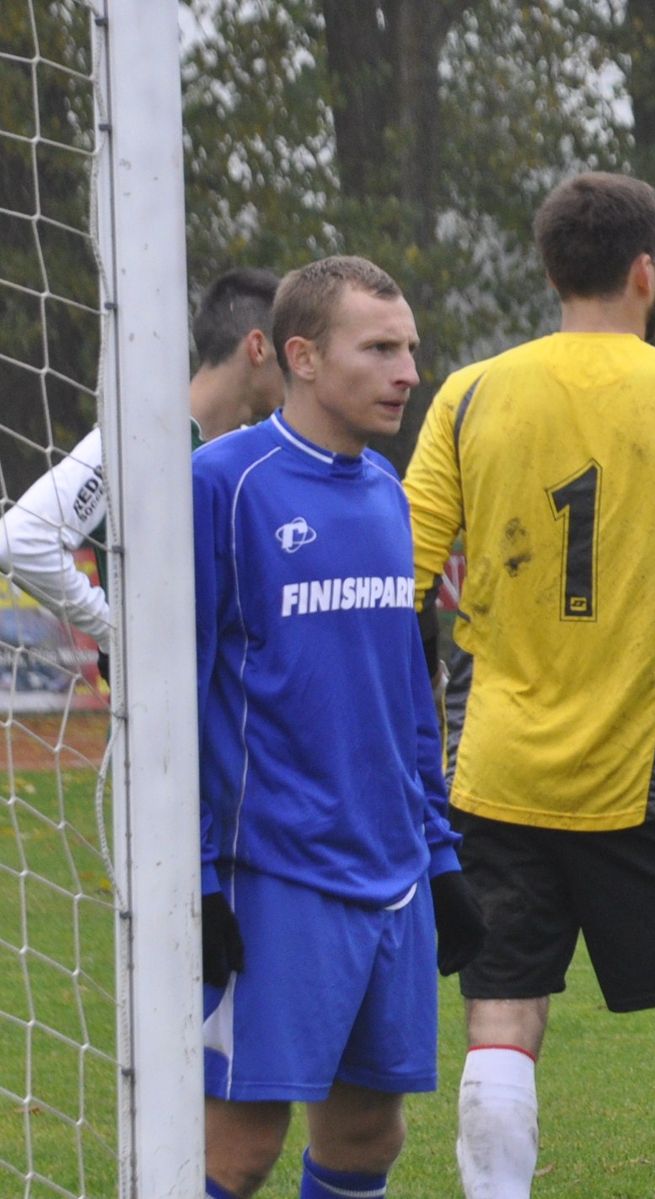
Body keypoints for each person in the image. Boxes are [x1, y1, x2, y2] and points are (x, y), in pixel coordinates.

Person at [403, 172, 655, 1199]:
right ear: (646, 269)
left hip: (491, 772)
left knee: (501, 1022)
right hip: (653, 785)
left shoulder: (469, 394)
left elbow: (400, 573)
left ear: (547, 268)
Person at [193, 255, 487, 1198]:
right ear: (303, 357)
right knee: (236, 1150)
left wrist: (440, 859)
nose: (408, 371)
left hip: (393, 874)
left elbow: (407, 695)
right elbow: (176, 700)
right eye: (381, 349)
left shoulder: (389, 496)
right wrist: (197, 881)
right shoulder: (222, 485)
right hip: (272, 875)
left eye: (411, 348)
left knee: (368, 1134)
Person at [0, 267, 284, 658]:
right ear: (258, 348)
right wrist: (121, 636)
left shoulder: (259, 454)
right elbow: (20, 541)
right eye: (291, 348)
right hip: (150, 715)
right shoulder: (139, 437)